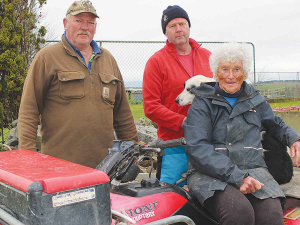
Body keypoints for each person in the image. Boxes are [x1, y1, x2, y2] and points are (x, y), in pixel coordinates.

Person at [184, 43, 300, 225]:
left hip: (253, 171)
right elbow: (198, 148)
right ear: (216, 73)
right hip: (209, 175)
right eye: (225, 69)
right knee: (239, 213)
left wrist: (294, 138)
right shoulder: (202, 103)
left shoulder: (255, 100)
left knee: (271, 216)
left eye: (236, 69)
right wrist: (238, 177)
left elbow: (276, 124)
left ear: (245, 73)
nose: (231, 76)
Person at [17, 0, 138, 168]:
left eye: (90, 22)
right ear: (65, 23)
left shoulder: (108, 60)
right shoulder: (46, 58)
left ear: (95, 26)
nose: (85, 27)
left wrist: (132, 151)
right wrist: (28, 159)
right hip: (59, 169)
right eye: (78, 20)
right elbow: (28, 111)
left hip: (104, 168)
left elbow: (122, 113)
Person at [142, 5, 213, 185]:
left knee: (210, 190)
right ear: (165, 32)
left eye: (182, 23)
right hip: (175, 144)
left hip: (209, 142)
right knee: (172, 192)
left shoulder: (209, 57)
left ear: (189, 26)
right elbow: (151, 107)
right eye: (172, 26)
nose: (178, 29)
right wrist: (184, 122)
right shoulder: (156, 62)